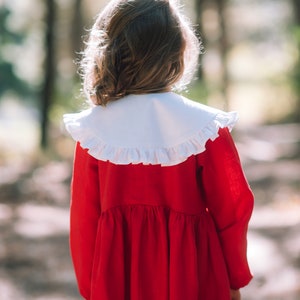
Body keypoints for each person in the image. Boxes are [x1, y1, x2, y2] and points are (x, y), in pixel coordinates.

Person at [63, 0, 254, 299]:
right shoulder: (204, 128)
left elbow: (84, 223)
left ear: (110, 54)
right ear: (177, 52)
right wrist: (234, 277)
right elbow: (233, 210)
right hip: (195, 276)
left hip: (119, 279)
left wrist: (92, 288)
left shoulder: (94, 134)